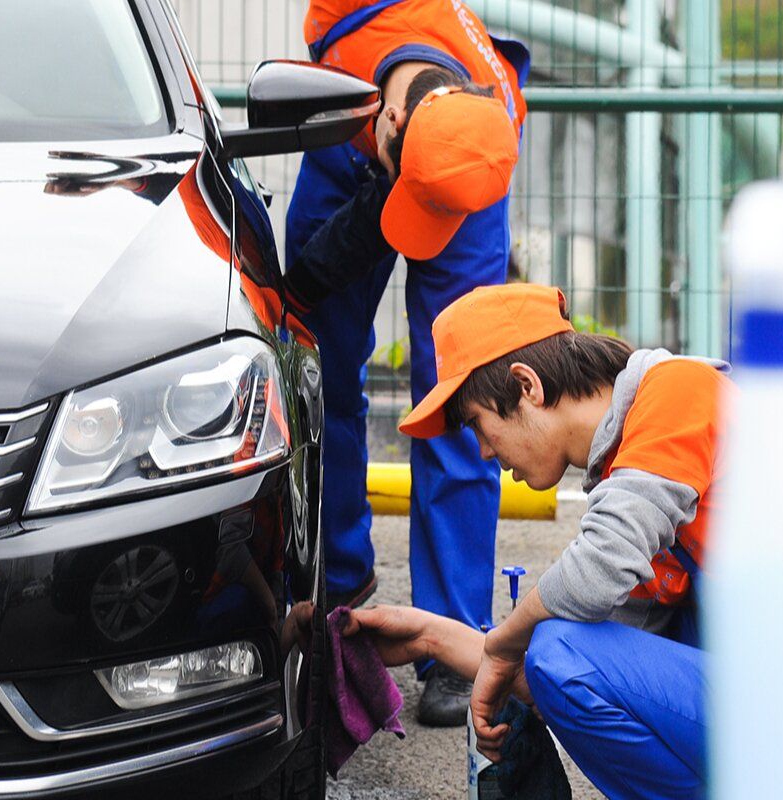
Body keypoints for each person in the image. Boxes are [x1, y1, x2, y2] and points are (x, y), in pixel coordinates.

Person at [343, 283, 783, 799]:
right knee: (557, 652)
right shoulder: (643, 477)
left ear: (527, 386)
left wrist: (504, 643)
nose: (485, 454)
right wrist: (432, 637)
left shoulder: (678, 392)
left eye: (476, 425)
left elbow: (584, 601)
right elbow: (592, 675)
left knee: (555, 650)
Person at [282, 0, 531, 727]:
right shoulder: (344, 69)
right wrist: (313, 274)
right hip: (348, 143)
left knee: (465, 395)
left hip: (465, 184)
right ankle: (338, 579)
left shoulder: (492, 126)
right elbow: (319, 272)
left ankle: (452, 642)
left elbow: (469, 393)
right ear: (391, 122)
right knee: (317, 361)